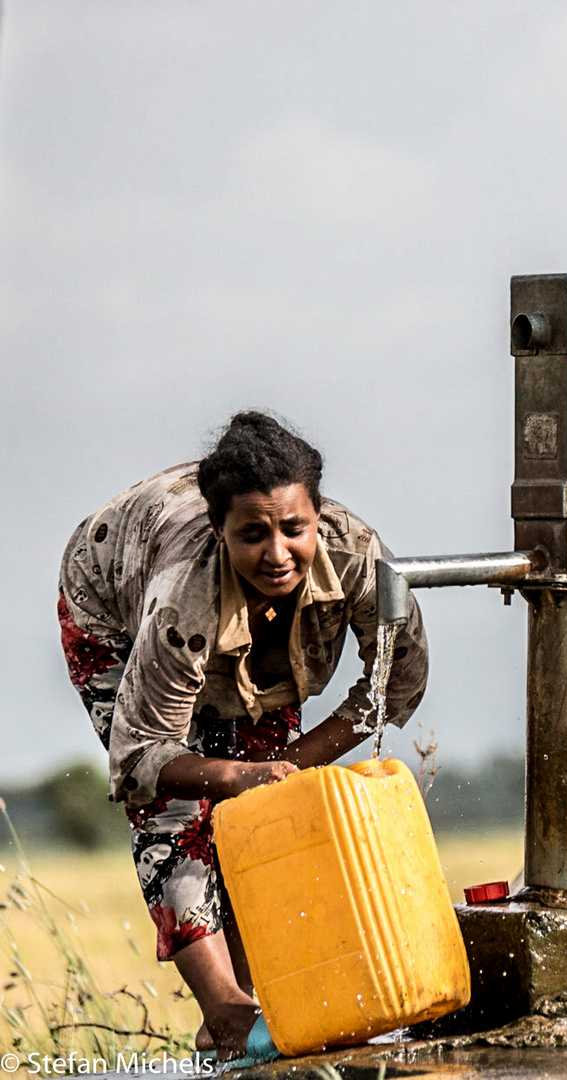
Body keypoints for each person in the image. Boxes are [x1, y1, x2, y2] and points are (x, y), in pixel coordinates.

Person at [57, 411, 429, 1057]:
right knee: (176, 812)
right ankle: (227, 1016)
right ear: (219, 531)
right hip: (111, 603)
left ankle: (270, 998)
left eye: (295, 529)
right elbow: (142, 756)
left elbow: (393, 685)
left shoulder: (359, 559)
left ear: (320, 515)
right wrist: (234, 775)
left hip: (246, 649)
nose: (278, 553)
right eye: (253, 535)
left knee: (269, 812)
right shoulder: (182, 599)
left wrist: (284, 767)